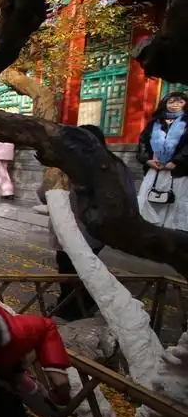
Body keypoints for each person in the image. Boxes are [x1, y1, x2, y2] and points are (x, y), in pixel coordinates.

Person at [36, 125, 136, 320]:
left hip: (70, 229)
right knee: (85, 269)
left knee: (69, 272)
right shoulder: (116, 165)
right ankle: (79, 306)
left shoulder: (66, 166)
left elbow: (44, 194)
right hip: (97, 231)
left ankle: (72, 311)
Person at [136, 91, 188, 231]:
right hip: (155, 168)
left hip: (177, 171)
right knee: (147, 199)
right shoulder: (155, 123)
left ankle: (170, 233)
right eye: (171, 101)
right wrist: (147, 160)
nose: (175, 105)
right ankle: (150, 230)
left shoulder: (186, 122)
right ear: (165, 104)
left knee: (174, 203)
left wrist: (176, 161)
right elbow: (143, 143)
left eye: (180, 102)